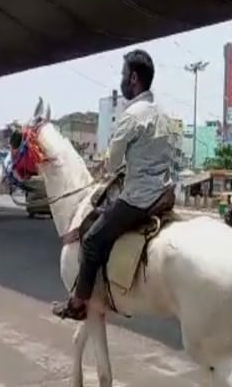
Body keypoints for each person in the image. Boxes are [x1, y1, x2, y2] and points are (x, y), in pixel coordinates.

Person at [52, 49, 176, 321]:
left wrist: (107, 165)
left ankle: (78, 302)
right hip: (165, 193)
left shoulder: (132, 115)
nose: (121, 82)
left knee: (94, 239)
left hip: (140, 198)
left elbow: (112, 163)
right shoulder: (164, 115)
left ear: (133, 78)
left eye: (123, 76)